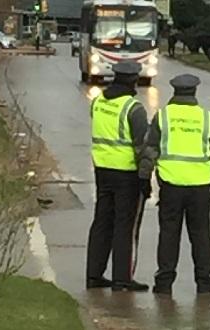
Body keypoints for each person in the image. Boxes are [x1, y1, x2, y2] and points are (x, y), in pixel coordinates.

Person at [142, 74, 210, 295]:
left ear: (175, 92)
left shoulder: (163, 117)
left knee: (169, 233)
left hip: (171, 185)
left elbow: (150, 150)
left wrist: (144, 178)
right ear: (194, 92)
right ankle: (204, 281)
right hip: (200, 186)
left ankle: (164, 281)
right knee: (201, 234)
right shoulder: (206, 117)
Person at [86, 61, 152, 292]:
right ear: (133, 80)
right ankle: (122, 278)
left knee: (102, 222)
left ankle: (94, 274)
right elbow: (142, 147)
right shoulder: (133, 108)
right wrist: (145, 179)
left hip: (102, 171)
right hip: (127, 174)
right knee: (126, 226)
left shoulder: (98, 102)